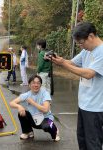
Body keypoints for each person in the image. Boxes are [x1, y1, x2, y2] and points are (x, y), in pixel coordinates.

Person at [50, 22, 103, 150]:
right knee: (82, 139)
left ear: (90, 36)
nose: (81, 46)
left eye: (81, 43)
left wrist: (64, 64)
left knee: (93, 143)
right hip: (84, 105)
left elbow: (89, 73)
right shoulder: (87, 51)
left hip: (96, 108)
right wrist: (59, 60)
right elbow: (72, 63)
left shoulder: (101, 52)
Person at [10, 75, 60, 141]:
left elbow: (46, 110)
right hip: (34, 119)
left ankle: (55, 131)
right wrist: (19, 106)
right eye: (33, 83)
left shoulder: (45, 93)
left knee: (47, 126)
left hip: (46, 119)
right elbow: (11, 103)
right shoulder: (27, 94)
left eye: (38, 83)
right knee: (21, 112)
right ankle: (28, 132)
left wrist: (33, 103)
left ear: (40, 85)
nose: (36, 85)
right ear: (29, 85)